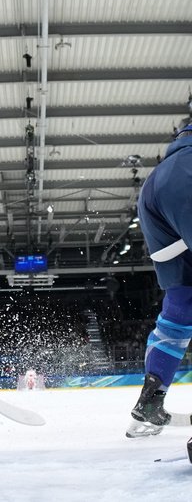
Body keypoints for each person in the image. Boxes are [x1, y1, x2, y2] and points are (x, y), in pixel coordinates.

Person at [126, 122, 192, 439]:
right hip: (184, 176)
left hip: (158, 195)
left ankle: (150, 402)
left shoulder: (165, 166)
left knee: (179, 311)